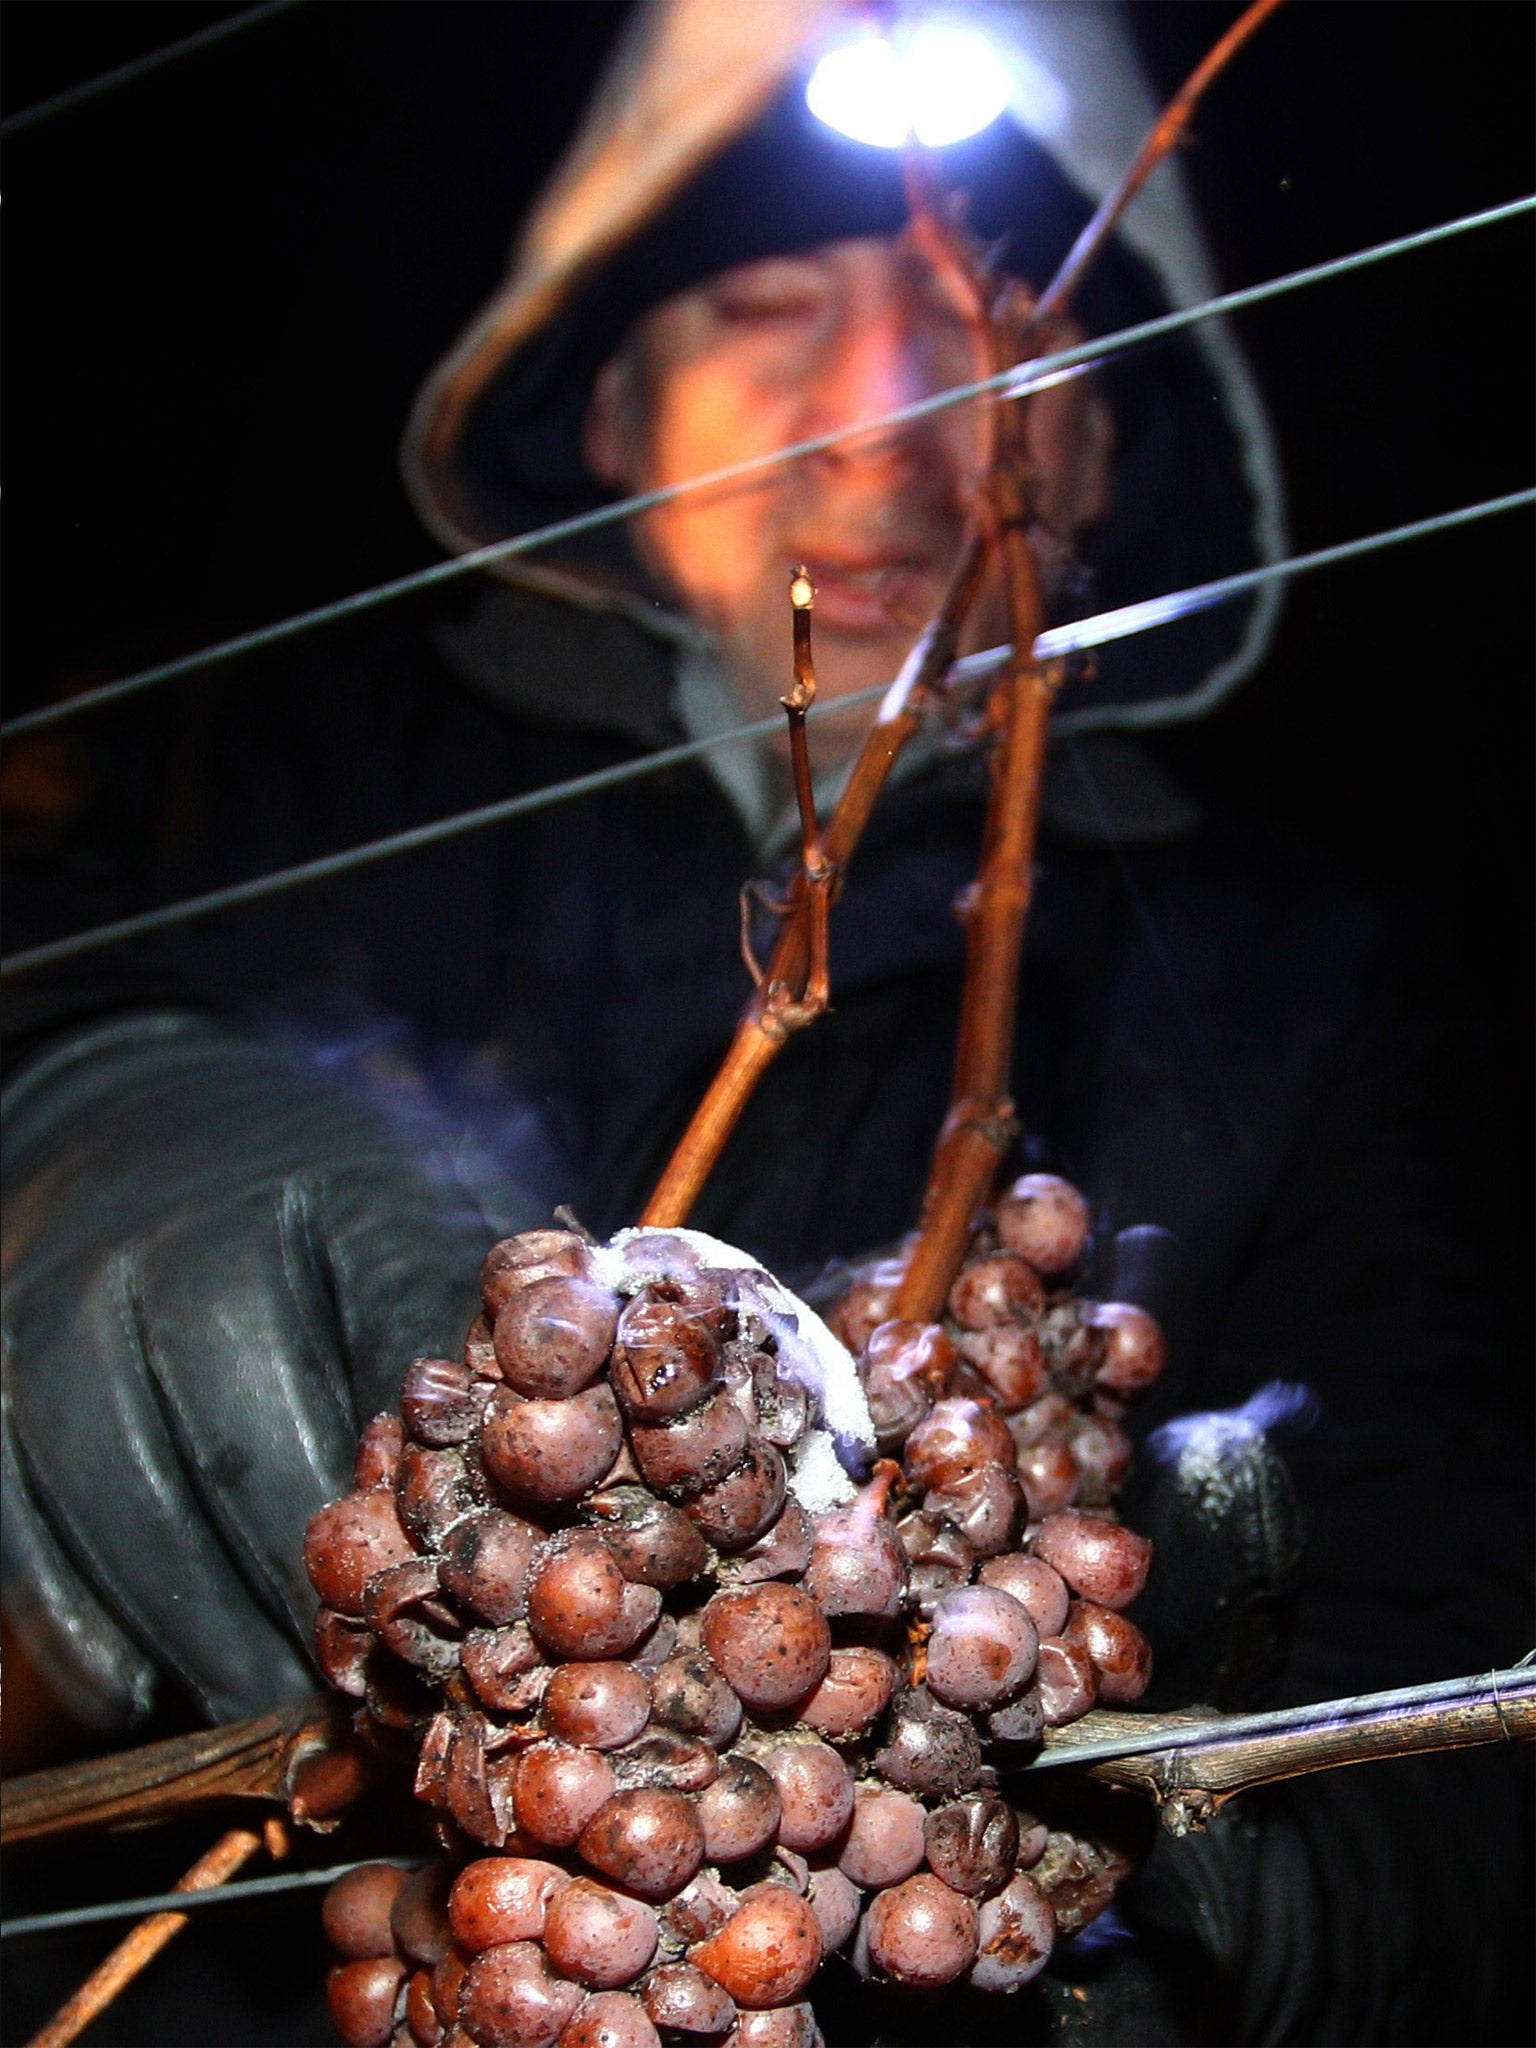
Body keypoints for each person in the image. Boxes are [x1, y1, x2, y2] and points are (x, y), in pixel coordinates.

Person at [2, 4, 1529, 2043]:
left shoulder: (1319, 975)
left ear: (1091, 449)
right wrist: (91, 1122)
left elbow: (1465, 1679)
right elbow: (52, 958)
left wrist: (1237, 1922)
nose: (888, 419)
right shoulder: (262, 763)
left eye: (986, 328)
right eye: (767, 309)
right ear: (615, 418)